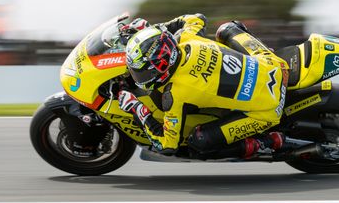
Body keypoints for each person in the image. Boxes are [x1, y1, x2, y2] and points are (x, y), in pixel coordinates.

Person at [117, 14, 288, 159]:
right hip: (273, 65)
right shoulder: (187, 37)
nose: (136, 75)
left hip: (268, 110)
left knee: (198, 141)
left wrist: (136, 107)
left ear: (160, 66)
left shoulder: (175, 94)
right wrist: (154, 29)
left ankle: (265, 142)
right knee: (226, 29)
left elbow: (167, 145)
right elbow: (197, 18)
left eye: (140, 71)